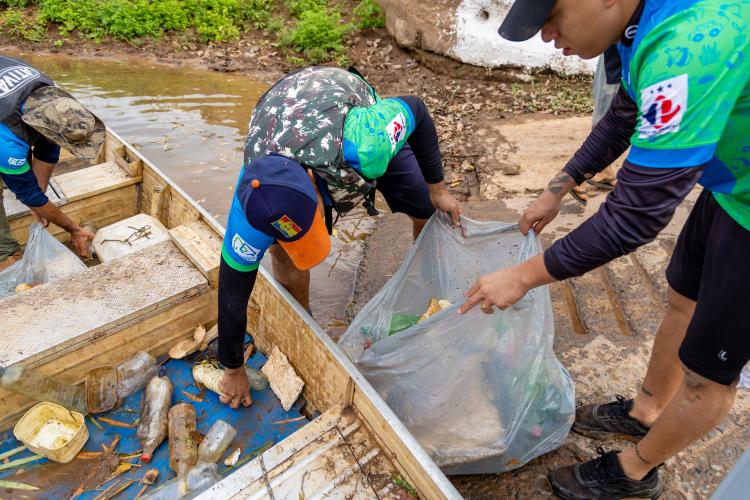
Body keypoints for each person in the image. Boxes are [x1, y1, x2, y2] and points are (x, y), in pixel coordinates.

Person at [462, 0, 750, 498]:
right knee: (684, 297)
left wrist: (523, 276)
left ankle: (635, 470)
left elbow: (636, 216)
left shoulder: (688, 47)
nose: (546, 35)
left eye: (551, 18)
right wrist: (558, 186)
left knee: (710, 373)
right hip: (732, 190)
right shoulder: (646, 24)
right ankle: (648, 410)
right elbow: (626, 113)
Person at [217, 66, 462, 409]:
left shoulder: (366, 142)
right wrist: (231, 367)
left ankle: (422, 281)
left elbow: (417, 109)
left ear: (314, 183)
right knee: (283, 260)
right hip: (279, 118)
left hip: (340, 103)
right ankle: (306, 325)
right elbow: (232, 292)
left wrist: (439, 189)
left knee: (422, 204)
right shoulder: (250, 207)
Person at [0, 56, 103, 265]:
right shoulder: (8, 141)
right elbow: (28, 192)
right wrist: (74, 229)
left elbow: (48, 149)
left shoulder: (49, 92)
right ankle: (4, 251)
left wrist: (37, 204)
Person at [569, 46, 621, 205]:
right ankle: (577, 178)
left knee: (612, 114)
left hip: (624, 53)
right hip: (618, 56)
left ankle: (604, 171)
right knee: (611, 117)